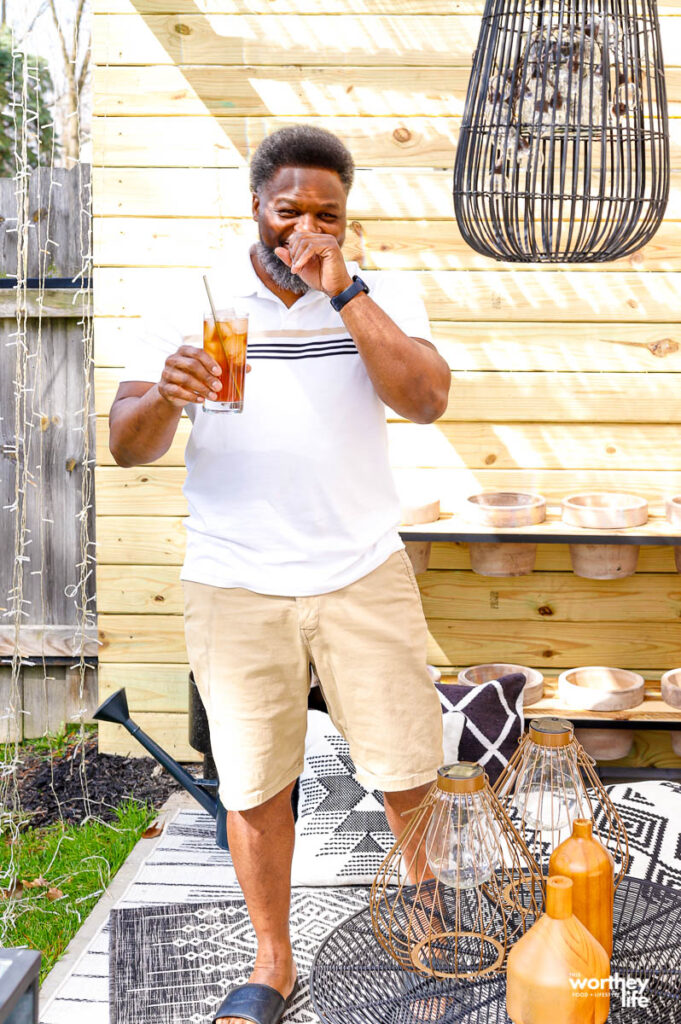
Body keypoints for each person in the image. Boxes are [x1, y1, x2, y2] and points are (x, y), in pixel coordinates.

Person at [109, 125, 450, 1024]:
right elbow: (126, 447)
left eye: (326, 214)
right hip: (235, 578)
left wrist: (346, 294)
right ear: (255, 208)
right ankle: (272, 962)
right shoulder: (200, 301)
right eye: (287, 210)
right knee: (255, 779)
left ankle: (429, 911)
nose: (306, 227)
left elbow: (423, 401)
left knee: (409, 761)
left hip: (361, 567)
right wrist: (165, 398)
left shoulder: (378, 289)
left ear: (346, 218)